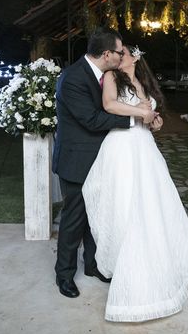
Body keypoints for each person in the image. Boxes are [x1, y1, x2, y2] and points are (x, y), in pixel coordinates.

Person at [82, 45, 188, 322]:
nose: (119, 56)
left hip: (144, 147)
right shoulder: (113, 78)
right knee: (127, 203)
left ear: (136, 57)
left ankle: (161, 262)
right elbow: (109, 105)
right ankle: (125, 263)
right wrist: (141, 113)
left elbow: (149, 115)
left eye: (124, 52)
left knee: (154, 205)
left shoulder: (142, 82)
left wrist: (155, 121)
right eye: (118, 52)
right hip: (122, 148)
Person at [52, 27, 158, 299]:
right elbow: (91, 120)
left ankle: (93, 265)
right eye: (120, 51)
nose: (123, 55)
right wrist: (135, 119)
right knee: (74, 218)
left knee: (98, 213)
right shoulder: (74, 78)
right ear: (107, 53)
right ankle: (64, 275)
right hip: (77, 160)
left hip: (105, 158)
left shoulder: (105, 76)